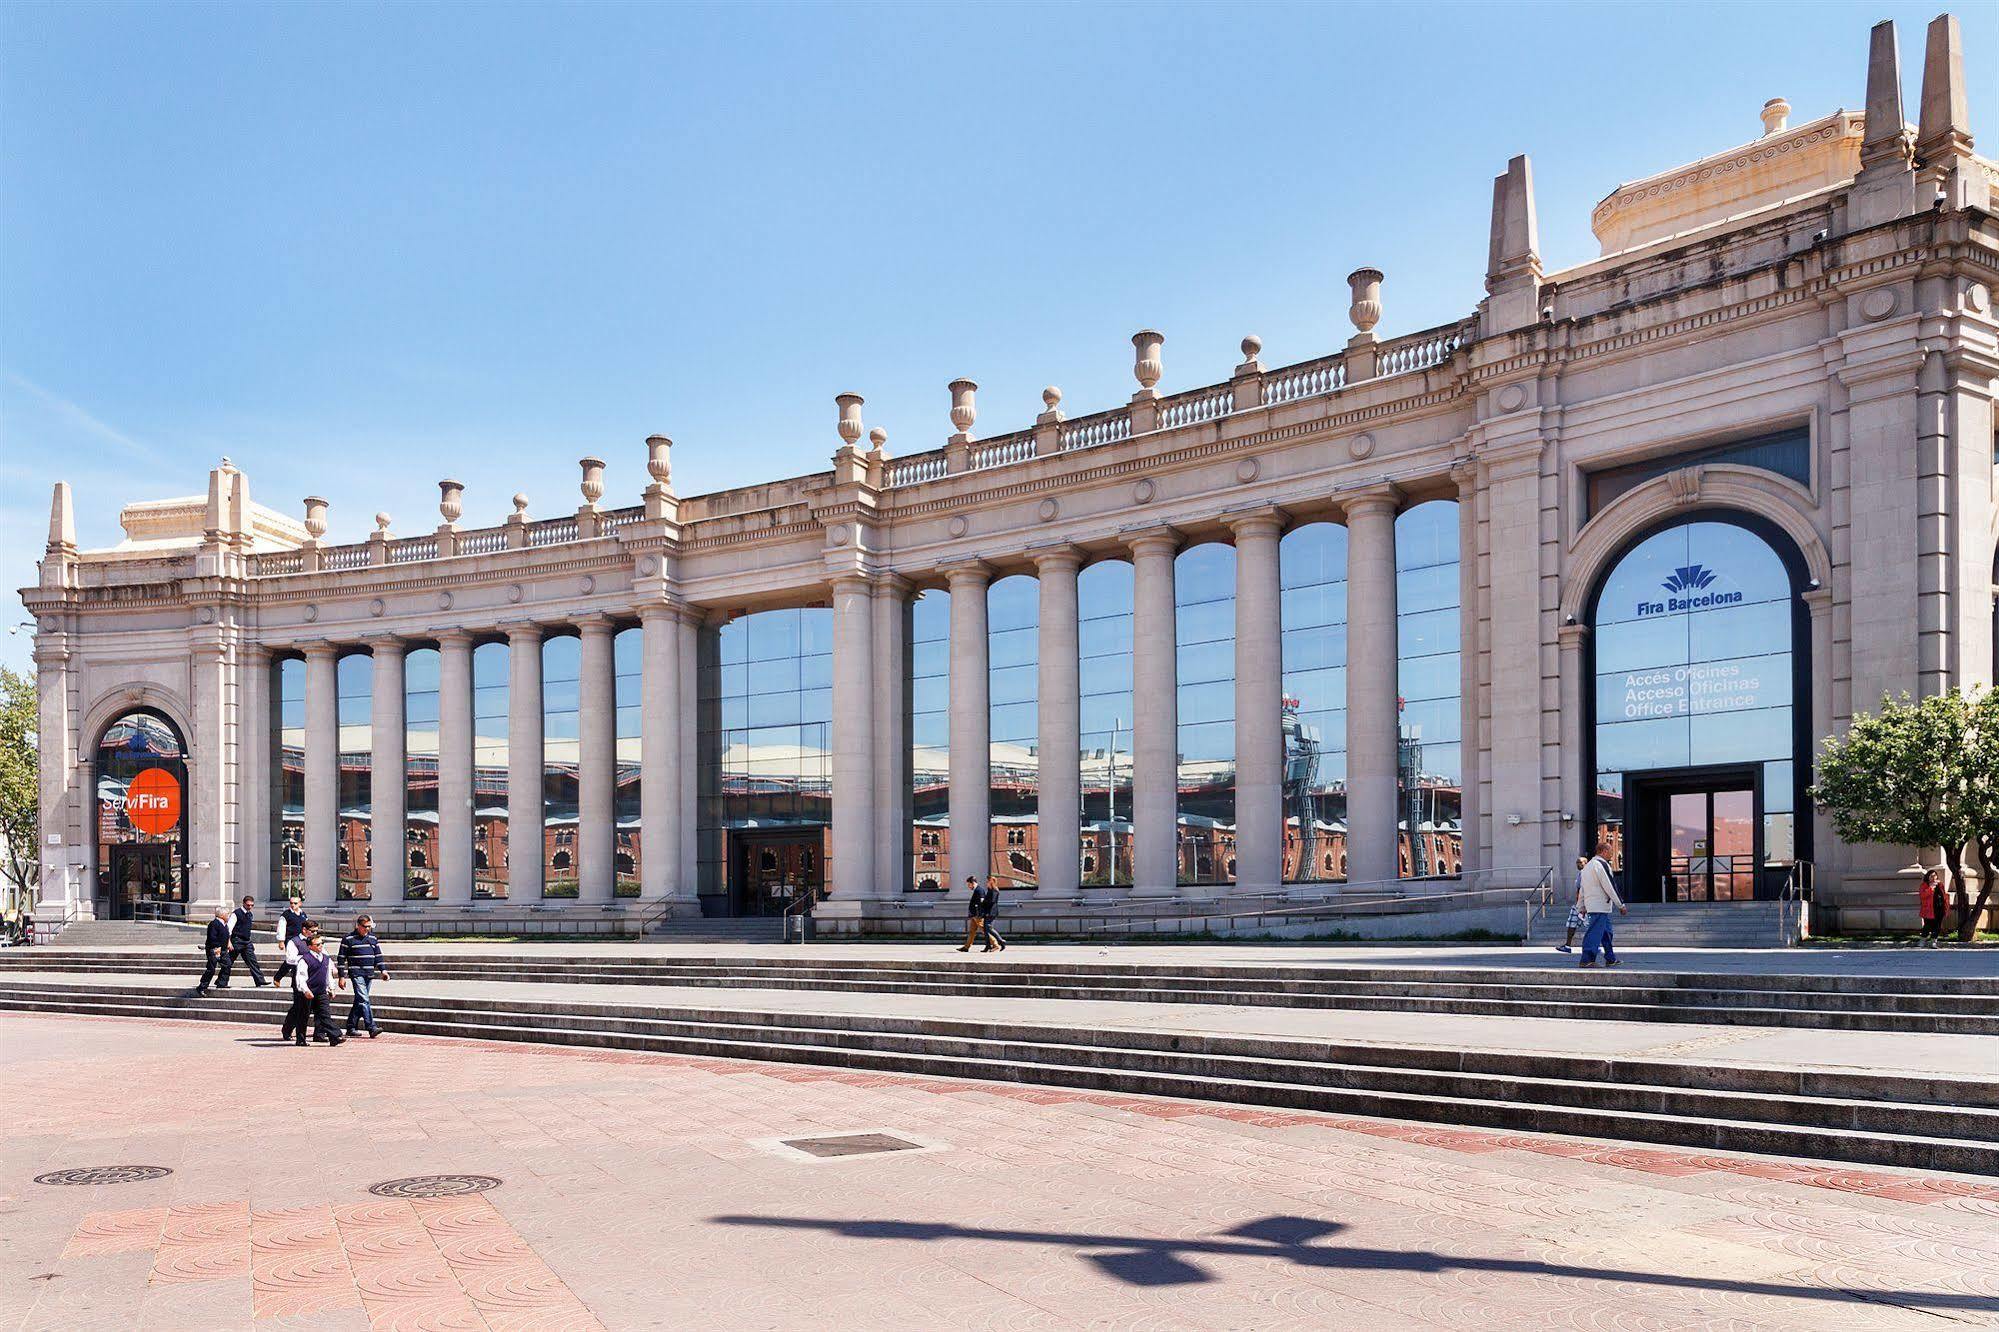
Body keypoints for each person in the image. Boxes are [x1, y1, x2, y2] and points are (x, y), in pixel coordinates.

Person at [288, 929, 345, 1047]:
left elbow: (328, 975)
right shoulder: (305, 959)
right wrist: (305, 990)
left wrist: (331, 988)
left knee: (324, 1015)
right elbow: (301, 977)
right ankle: (301, 1039)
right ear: (310, 946)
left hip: (321, 992)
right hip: (308, 992)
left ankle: (335, 1036)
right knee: (303, 1016)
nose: (320, 946)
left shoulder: (326, 958)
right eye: (317, 944)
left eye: (322, 943)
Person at [1576, 843, 1627, 968]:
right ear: (1603, 851)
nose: (1612, 853)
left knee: (1607, 933)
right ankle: (1587, 959)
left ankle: (1610, 958)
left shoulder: (1587, 867)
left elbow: (1583, 889)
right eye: (1610, 850)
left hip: (1594, 905)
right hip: (1600, 906)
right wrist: (1620, 904)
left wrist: (1581, 906)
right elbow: (1609, 886)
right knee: (1594, 932)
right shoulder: (1601, 865)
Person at [338, 915, 388, 1037]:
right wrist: (342, 976)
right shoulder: (348, 939)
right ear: (358, 926)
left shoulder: (373, 938)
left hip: (369, 974)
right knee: (364, 1000)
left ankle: (350, 1026)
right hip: (356, 974)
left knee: (359, 1001)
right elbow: (341, 959)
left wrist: (383, 971)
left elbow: (378, 956)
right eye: (365, 927)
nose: (367, 929)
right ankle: (371, 1027)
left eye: (369, 927)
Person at [218, 895, 269, 988]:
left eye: (252, 905)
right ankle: (221, 982)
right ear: (243, 903)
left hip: (246, 942)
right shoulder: (236, 914)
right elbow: (228, 928)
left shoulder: (250, 914)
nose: (250, 907)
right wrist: (228, 942)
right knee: (228, 962)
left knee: (253, 961)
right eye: (248, 905)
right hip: (236, 941)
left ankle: (260, 981)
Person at [279, 921, 317, 1042]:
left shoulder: (316, 941)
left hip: (314, 977)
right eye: (313, 931)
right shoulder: (294, 942)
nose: (315, 933)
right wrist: (306, 959)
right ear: (304, 930)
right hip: (299, 978)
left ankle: (319, 1034)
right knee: (298, 1006)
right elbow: (290, 959)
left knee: (313, 1007)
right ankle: (287, 1029)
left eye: (316, 931)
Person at [272, 893, 308, 988]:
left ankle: (294, 983)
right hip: (290, 940)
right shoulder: (286, 915)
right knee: (291, 959)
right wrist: (281, 941)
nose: (293, 905)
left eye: (295, 903)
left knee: (299, 960)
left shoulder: (303, 914)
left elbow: (307, 927)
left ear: (300, 903)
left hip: (301, 940)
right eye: (291, 903)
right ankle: (278, 977)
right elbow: (281, 928)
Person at [196, 906, 232, 995]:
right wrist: (217, 946)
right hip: (214, 949)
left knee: (227, 964)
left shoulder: (224, 924)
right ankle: (202, 986)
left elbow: (225, 935)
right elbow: (212, 937)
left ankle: (221, 982)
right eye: (228, 914)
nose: (229, 916)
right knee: (211, 969)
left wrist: (228, 943)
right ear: (222, 915)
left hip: (222, 950)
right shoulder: (214, 924)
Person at [1556, 856, 1587, 953]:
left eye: (1581, 862)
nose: (1578, 864)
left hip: (1585, 905)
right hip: (1578, 904)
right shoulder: (1580, 874)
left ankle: (1597, 946)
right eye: (1577, 862)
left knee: (1591, 926)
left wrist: (1583, 905)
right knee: (1571, 924)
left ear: (1586, 863)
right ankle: (1567, 946)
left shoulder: (1586, 874)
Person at [1917, 867, 1949, 948]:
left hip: (1939, 908)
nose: (1933, 877)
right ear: (1928, 877)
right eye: (1931, 876)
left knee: (1937, 927)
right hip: (1929, 909)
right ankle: (1922, 941)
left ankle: (1933, 942)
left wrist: (1946, 906)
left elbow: (1944, 895)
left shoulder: (1940, 884)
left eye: (1935, 875)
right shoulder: (1924, 885)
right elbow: (1922, 896)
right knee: (1927, 926)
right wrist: (1930, 888)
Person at [976, 878, 1006, 952]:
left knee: (988, 927)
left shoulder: (994, 891)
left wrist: (983, 901)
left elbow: (991, 902)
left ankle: (1001, 941)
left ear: (991, 883)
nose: (986, 883)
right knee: (986, 930)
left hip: (991, 912)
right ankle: (988, 946)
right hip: (987, 912)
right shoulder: (990, 891)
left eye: (988, 882)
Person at [956, 875, 985, 952]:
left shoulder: (979, 890)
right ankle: (966, 947)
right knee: (972, 931)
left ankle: (996, 944)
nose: (968, 886)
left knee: (984, 930)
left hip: (977, 915)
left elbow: (981, 903)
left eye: (969, 884)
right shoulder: (977, 890)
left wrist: (979, 914)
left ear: (973, 883)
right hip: (974, 915)